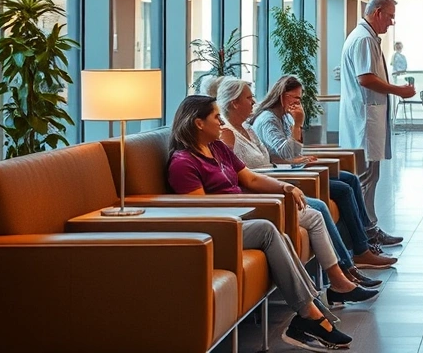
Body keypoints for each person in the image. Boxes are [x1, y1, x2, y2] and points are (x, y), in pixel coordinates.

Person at [166, 96, 376, 351]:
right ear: (198, 123)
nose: (221, 122)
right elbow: (202, 211)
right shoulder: (182, 163)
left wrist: (284, 187)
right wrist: (247, 209)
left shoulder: (218, 148)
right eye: (216, 117)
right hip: (220, 227)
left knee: (283, 234)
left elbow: (251, 179)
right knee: (268, 228)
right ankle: (309, 313)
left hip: (243, 214)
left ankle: (310, 312)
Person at [215, 77, 397, 286]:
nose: (254, 102)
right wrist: (298, 128)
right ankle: (349, 263)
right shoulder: (254, 124)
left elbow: (275, 156)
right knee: (336, 193)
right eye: (249, 98)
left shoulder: (249, 128)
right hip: (272, 180)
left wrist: (293, 159)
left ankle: (361, 245)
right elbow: (253, 167)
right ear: (234, 103)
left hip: (278, 174)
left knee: (350, 180)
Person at [252, 74, 404, 251]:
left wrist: (297, 156)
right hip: (283, 174)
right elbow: (286, 152)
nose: (298, 103)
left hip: (292, 167)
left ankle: (367, 232)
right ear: (282, 96)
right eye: (296, 98)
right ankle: (361, 247)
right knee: (343, 189)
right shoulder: (268, 120)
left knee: (351, 179)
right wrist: (298, 125)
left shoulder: (283, 117)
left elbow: (292, 152)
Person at [339, 0, 414, 248]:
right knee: (365, 179)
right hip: (364, 120)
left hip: (368, 118)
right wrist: (399, 90)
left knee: (371, 177)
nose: (392, 22)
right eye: (390, 16)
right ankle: (363, 235)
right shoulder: (363, 39)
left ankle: (369, 228)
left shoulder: (368, 37)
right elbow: (366, 78)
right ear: (377, 12)